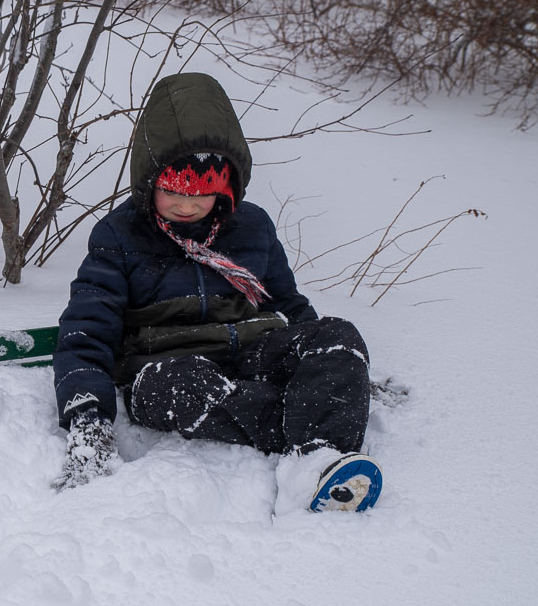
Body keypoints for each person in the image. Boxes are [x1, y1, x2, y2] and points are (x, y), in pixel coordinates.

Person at [51, 72, 382, 513]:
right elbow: (87, 329)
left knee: (339, 333)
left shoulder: (253, 227)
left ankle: (321, 460)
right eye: (172, 192)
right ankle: (311, 420)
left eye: (202, 195)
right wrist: (87, 414)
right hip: (166, 366)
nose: (187, 206)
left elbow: (286, 303)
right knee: (178, 388)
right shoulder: (119, 236)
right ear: (149, 182)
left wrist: (329, 365)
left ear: (225, 188)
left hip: (251, 352)